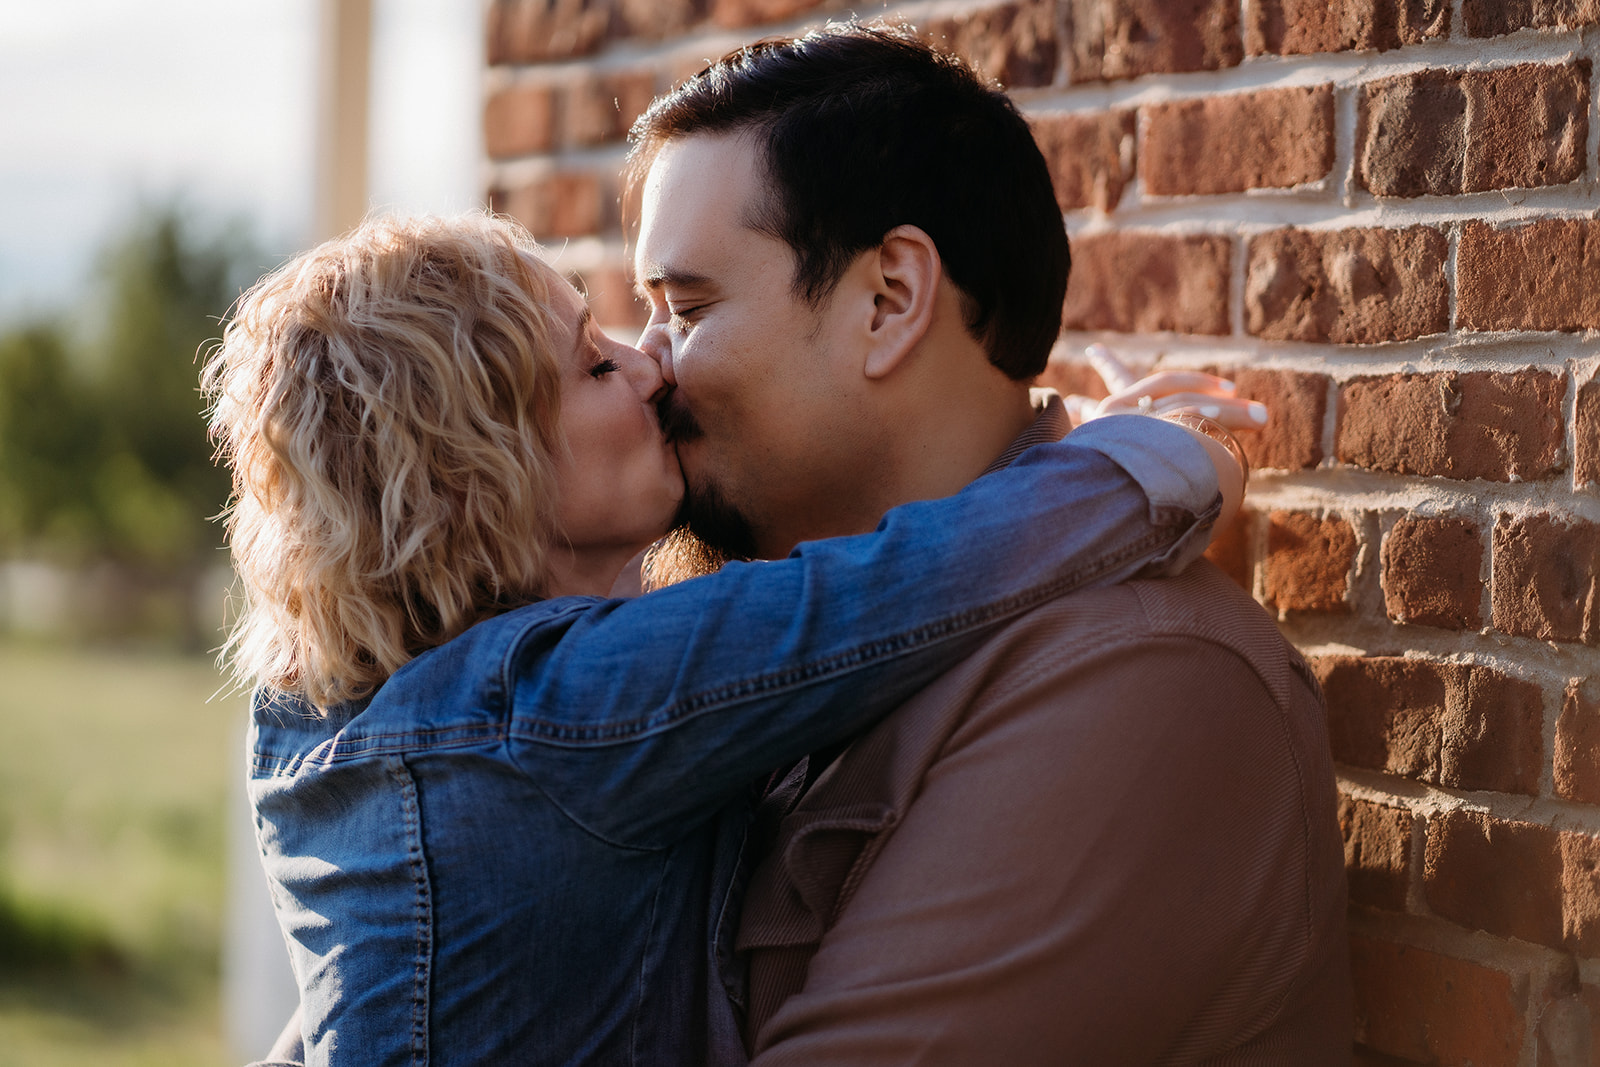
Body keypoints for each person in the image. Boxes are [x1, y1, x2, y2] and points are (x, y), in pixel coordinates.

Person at [205, 212, 1241, 1065]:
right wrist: (1152, 461)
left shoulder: (310, 721)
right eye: (594, 365)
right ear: (486, 471)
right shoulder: (559, 704)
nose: (649, 366)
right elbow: (880, 596)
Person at [624, 22, 1352, 1064]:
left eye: (686, 308)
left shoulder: (1139, 674)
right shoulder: (744, 628)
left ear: (889, 299)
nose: (646, 366)